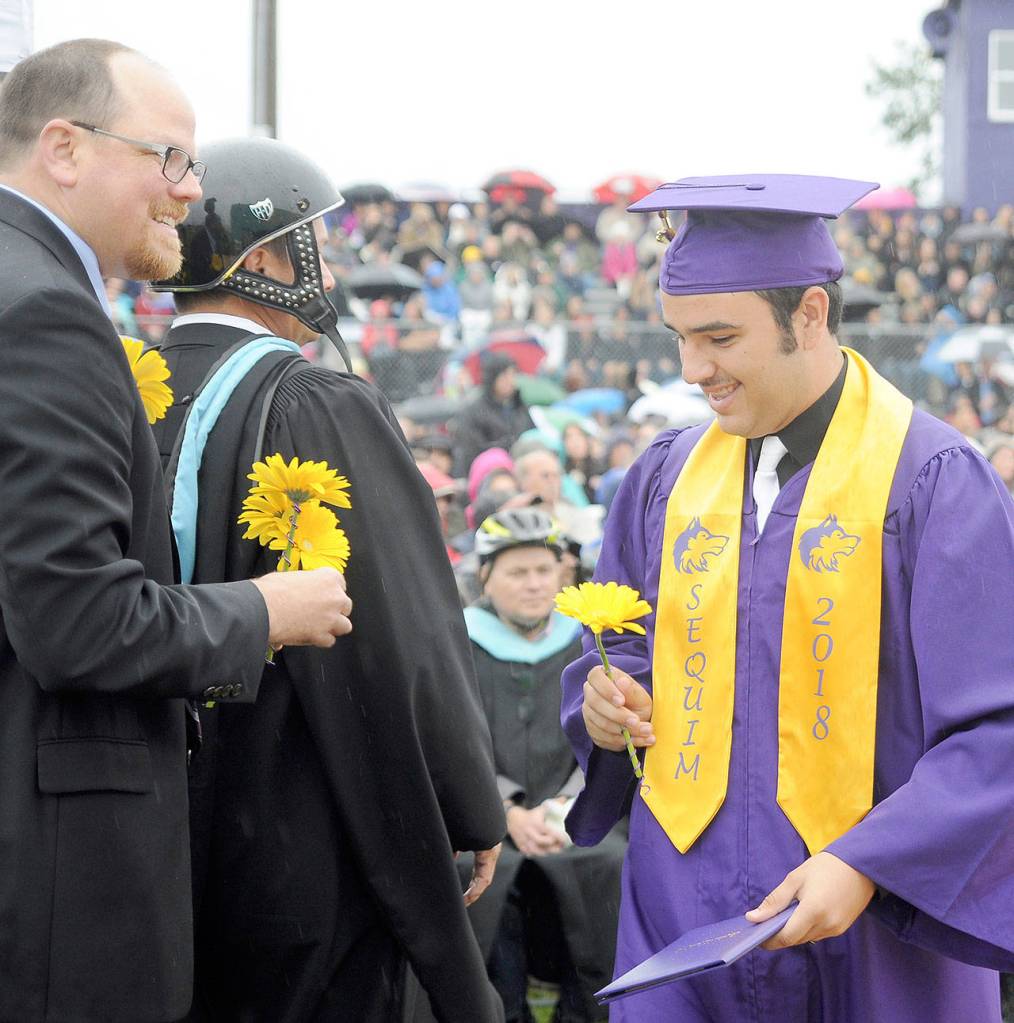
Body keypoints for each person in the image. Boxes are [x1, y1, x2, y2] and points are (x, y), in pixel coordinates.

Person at [562, 175, 1014, 1022]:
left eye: (720, 337)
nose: (695, 369)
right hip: (683, 909)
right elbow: (617, 640)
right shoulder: (664, 477)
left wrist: (871, 861)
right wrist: (601, 702)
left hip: (872, 920)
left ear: (809, 313)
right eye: (680, 338)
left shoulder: (931, 484)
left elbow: (997, 728)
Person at [0, 40, 353, 1023]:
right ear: (63, 148)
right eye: (168, 158)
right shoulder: (43, 315)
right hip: (59, 882)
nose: (190, 193)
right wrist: (261, 609)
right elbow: (74, 623)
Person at [150, 137, 505, 1023]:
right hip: (296, 846)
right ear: (265, 257)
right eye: (313, 241)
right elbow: (403, 636)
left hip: (149, 844)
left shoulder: (130, 388)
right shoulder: (315, 401)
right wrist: (470, 804)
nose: (329, 265)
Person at [465, 510, 625, 1023]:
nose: (535, 585)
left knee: (608, 864)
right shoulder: (458, 643)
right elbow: (450, 741)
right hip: (484, 815)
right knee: (478, 875)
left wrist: (569, 803)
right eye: (517, 572)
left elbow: (605, 739)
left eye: (545, 569)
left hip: (575, 810)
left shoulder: (590, 641)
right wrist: (505, 810)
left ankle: (590, 1011)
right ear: (486, 576)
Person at [453, 352, 534, 476]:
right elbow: (471, 451)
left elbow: (532, 434)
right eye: (504, 376)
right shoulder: (473, 412)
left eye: (512, 375)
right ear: (492, 378)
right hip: (490, 474)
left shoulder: (520, 407)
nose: (510, 381)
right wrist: (508, 446)